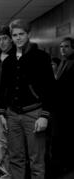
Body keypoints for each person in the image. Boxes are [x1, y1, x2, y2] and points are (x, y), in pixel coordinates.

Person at [0, 19, 55, 179]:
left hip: (34, 114)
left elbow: (51, 88)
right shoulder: (8, 60)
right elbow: (3, 88)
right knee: (16, 158)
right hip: (12, 115)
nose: (18, 38)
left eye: (21, 34)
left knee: (36, 159)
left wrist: (45, 115)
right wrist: (2, 112)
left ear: (28, 34)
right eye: (14, 35)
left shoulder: (41, 57)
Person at [51, 37, 74, 178]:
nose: (63, 49)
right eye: (61, 46)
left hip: (68, 109)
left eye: (66, 46)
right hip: (59, 109)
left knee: (67, 140)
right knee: (60, 140)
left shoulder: (72, 63)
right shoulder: (63, 63)